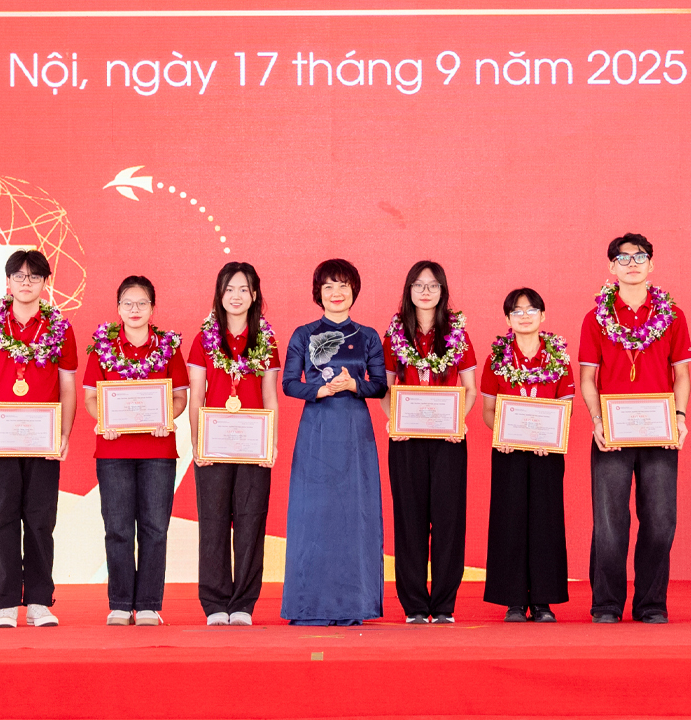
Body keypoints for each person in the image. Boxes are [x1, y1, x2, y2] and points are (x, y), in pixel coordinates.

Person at [579, 232, 691, 624]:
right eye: (623, 258)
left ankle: (651, 603)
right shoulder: (596, 318)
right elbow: (588, 379)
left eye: (639, 256)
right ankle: (606, 603)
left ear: (651, 264)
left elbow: (681, 375)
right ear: (612, 267)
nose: (632, 264)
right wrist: (596, 421)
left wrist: (680, 418)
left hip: (659, 432)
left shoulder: (672, 315)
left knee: (660, 520)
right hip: (611, 431)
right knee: (610, 522)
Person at [0, 250, 78, 628]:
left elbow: (67, 386)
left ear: (46, 282)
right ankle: (6, 602)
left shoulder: (59, 328)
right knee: (1, 518)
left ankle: (38, 602)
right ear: (8, 282)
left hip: (43, 440)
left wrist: (64, 433)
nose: (26, 283)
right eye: (19, 276)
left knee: (40, 519)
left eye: (34, 277)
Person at [281, 258, 387, 625]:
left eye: (343, 285)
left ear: (354, 290)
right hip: (317, 429)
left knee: (353, 514)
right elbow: (288, 383)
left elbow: (380, 385)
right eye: (328, 286)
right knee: (313, 514)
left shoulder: (368, 336)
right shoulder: (303, 334)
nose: (336, 293)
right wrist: (320, 390)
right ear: (318, 293)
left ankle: (354, 603)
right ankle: (308, 605)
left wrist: (355, 384)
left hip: (355, 431)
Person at [84, 276, 188, 627]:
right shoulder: (103, 347)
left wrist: (167, 417)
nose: (135, 309)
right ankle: (119, 602)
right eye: (128, 303)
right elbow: (90, 397)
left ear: (152, 308)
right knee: (118, 528)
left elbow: (179, 397)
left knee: (155, 528)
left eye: (142, 303)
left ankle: (147, 604)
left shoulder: (168, 347)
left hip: (158, 450)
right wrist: (104, 419)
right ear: (118, 308)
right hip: (113, 450)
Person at [378, 260, 476, 624]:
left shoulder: (457, 334)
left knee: (449, 520)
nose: (425, 291)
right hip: (406, 439)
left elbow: (470, 388)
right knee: (410, 520)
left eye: (433, 285)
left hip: (449, 439)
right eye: (418, 285)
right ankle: (416, 606)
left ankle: (445, 604)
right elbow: (385, 388)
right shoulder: (395, 334)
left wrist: (458, 421)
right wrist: (394, 420)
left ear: (443, 291)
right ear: (408, 290)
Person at [188, 262, 281, 626]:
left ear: (254, 295)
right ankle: (214, 602)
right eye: (229, 289)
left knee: (250, 521)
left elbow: (270, 395)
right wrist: (197, 441)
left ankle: (243, 602)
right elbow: (197, 396)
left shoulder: (266, 340)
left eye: (243, 289)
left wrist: (271, 442)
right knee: (212, 522)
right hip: (213, 445)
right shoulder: (203, 339)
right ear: (219, 294)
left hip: (253, 446)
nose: (236, 296)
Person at [480, 288, 575, 623]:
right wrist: (500, 433)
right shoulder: (496, 359)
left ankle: (544, 601)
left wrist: (551, 436)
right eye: (517, 311)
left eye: (531, 309)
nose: (524, 316)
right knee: (510, 520)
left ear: (543, 315)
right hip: (508, 451)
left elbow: (566, 408)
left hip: (547, 452)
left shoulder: (558, 358)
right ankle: (514, 600)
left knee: (546, 521)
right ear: (507, 319)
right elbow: (488, 410)